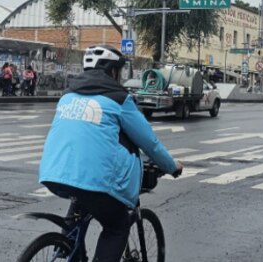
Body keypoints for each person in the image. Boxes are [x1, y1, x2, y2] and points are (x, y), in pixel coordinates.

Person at [39, 45, 182, 262]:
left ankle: (65, 249)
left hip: (53, 173)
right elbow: (150, 144)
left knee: (79, 203)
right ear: (112, 71)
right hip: (95, 180)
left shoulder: (67, 96)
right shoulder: (118, 99)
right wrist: (172, 166)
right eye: (120, 71)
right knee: (116, 227)